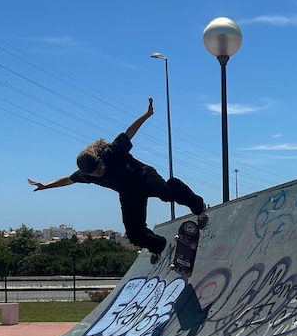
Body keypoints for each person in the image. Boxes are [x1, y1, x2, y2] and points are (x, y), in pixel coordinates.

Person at [28, 98, 206, 256]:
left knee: (166, 193)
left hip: (143, 176)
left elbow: (129, 132)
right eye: (94, 174)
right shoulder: (87, 175)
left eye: (99, 169)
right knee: (134, 234)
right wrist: (46, 185)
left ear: (99, 159)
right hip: (129, 194)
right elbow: (68, 180)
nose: (99, 173)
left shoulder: (111, 152)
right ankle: (159, 246)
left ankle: (197, 205)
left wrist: (147, 114)